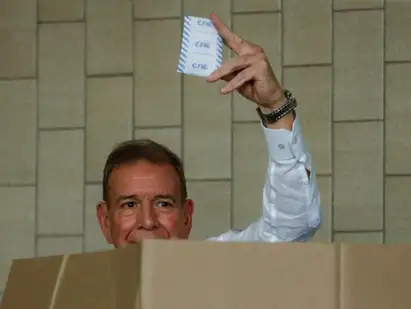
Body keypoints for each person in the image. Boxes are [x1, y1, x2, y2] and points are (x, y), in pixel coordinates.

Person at [96, 13, 321, 247]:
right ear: (105, 220)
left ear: (187, 216)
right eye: (129, 204)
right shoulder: (69, 281)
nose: (148, 221)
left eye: (163, 203)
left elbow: (289, 230)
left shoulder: (217, 267)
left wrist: (275, 105)